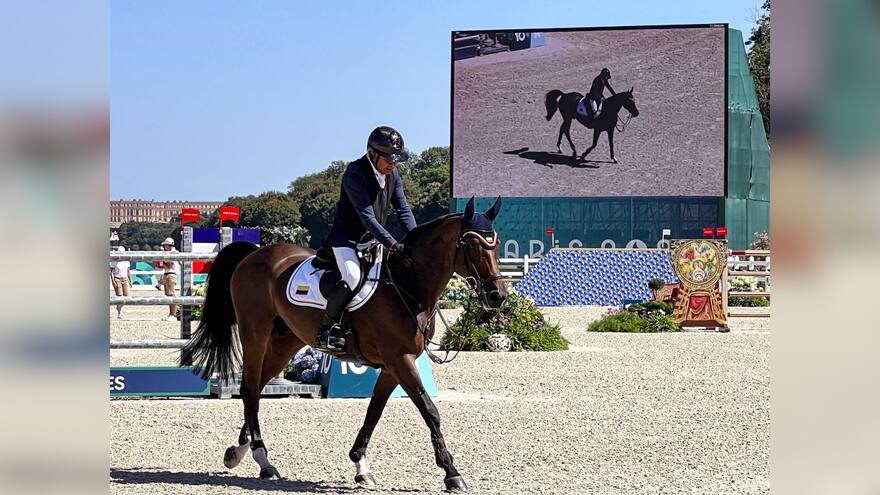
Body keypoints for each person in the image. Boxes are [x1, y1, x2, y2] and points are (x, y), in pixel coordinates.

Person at [314, 126, 418, 352]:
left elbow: (403, 210)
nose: (393, 164)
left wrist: (417, 238)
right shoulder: (355, 174)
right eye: (389, 159)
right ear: (373, 154)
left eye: (396, 159)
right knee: (352, 276)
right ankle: (326, 330)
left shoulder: (394, 175)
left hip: (372, 240)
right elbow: (368, 218)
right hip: (346, 239)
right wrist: (392, 244)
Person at [157, 237, 179, 321]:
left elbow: (169, 265)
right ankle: (171, 314)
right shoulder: (169, 253)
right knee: (168, 295)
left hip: (170, 274)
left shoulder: (171, 253)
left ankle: (173, 314)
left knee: (171, 295)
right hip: (167, 273)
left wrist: (163, 263)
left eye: (165, 245)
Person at [109, 245, 133, 319]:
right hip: (117, 278)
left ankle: (118, 307)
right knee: (119, 296)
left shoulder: (126, 260)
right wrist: (113, 281)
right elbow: (112, 272)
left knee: (127, 296)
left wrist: (130, 280)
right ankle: (120, 312)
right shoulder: (114, 260)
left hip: (125, 278)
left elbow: (128, 271)